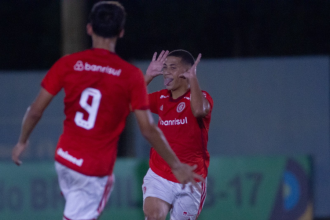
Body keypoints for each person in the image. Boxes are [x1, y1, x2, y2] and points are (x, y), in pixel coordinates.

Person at [11, 2, 203, 220]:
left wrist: (22, 141)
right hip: (93, 168)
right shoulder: (128, 75)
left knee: (78, 207)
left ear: (89, 28)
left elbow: (35, 110)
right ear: (121, 32)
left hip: (64, 159)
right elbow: (148, 129)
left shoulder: (68, 64)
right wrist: (176, 165)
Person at [142, 50, 213, 220]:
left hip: (191, 177)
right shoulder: (161, 98)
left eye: (172, 67)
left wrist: (193, 79)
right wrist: (148, 76)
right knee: (154, 215)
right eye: (165, 67)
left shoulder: (202, 97)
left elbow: (197, 111)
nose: (166, 72)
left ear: (187, 71)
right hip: (160, 173)